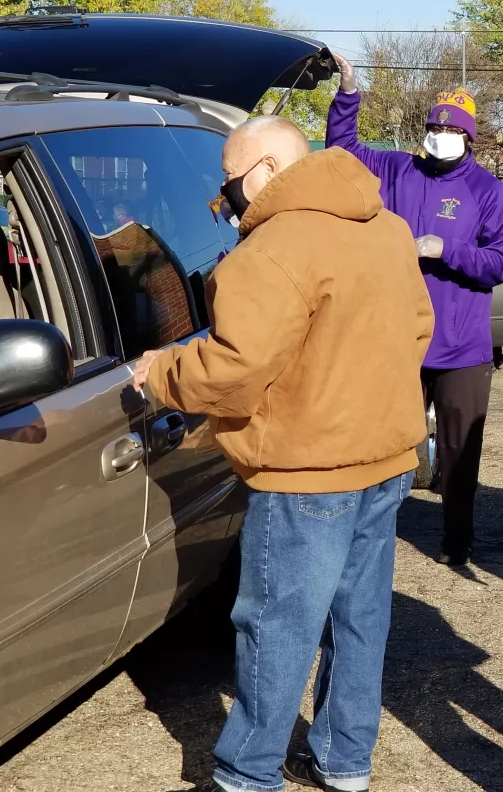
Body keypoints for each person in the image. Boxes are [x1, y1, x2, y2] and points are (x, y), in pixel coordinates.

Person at [131, 115, 434, 792]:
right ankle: (344, 759)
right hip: (385, 459)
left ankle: (248, 773)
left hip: (306, 473)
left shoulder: (271, 250)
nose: (227, 198)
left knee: (276, 624)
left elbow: (233, 366)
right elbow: (417, 326)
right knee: (360, 618)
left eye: (229, 183)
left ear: (265, 170)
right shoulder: (385, 228)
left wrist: (161, 373)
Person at [325, 60, 503, 565]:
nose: (442, 135)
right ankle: (376, 533)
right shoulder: (397, 169)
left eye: (453, 129)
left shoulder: (488, 191)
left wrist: (443, 249)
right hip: (398, 339)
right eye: (435, 127)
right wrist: (349, 92)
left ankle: (457, 540)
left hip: (462, 348)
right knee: (387, 443)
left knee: (459, 452)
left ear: (469, 138)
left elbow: (501, 263)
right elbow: (342, 152)